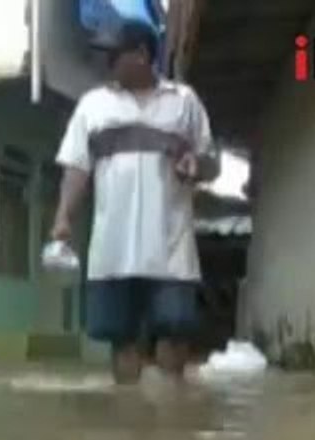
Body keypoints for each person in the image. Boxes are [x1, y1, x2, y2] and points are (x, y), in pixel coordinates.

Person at [51, 19, 221, 384]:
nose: (106, 62)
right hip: (113, 250)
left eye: (113, 54)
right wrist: (63, 217)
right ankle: (128, 421)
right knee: (121, 339)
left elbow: (211, 163)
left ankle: (168, 427)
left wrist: (197, 165)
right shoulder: (92, 106)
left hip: (171, 250)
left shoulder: (184, 102)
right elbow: (77, 168)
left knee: (173, 336)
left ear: (142, 54)